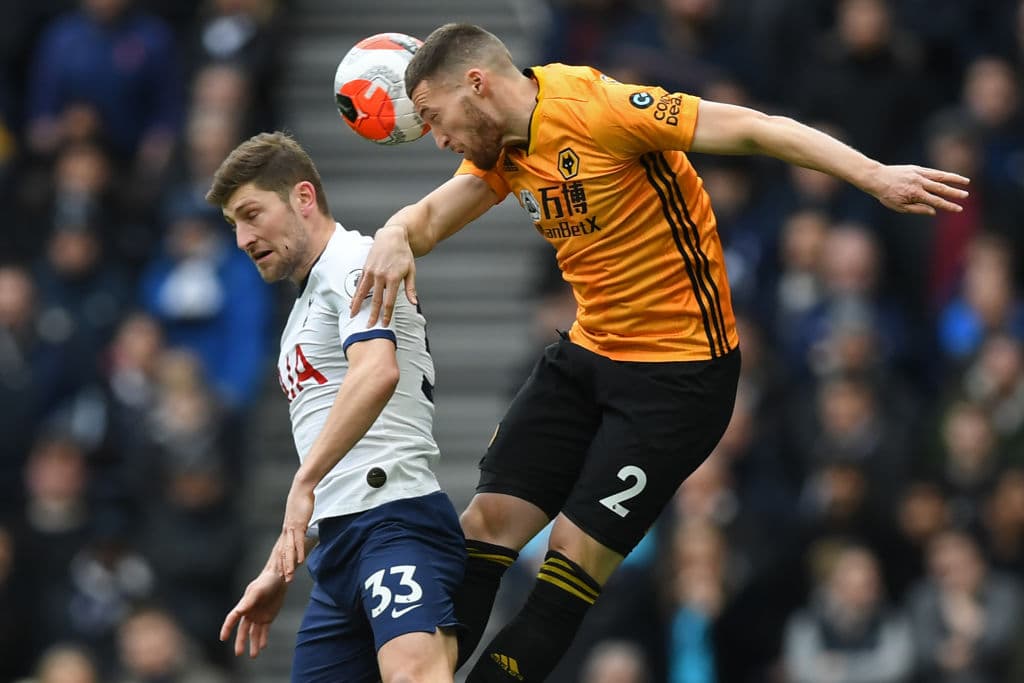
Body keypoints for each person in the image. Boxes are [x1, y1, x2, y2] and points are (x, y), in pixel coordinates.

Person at [341, 24, 970, 683]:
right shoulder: (503, 147)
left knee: (568, 558)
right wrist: (394, 231)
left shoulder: (601, 109)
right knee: (484, 522)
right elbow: (436, 213)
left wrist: (874, 175)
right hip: (590, 353)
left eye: (437, 120)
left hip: (680, 379)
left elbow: (755, 129)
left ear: (478, 85)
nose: (438, 140)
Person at [207, 132, 465, 682]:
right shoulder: (308, 299)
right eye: (235, 224)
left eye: (252, 214)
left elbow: (377, 370)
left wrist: (302, 484)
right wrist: (284, 563)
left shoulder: (353, 260)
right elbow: (341, 448)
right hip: (343, 543)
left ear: (303, 197)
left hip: (397, 522)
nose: (243, 238)